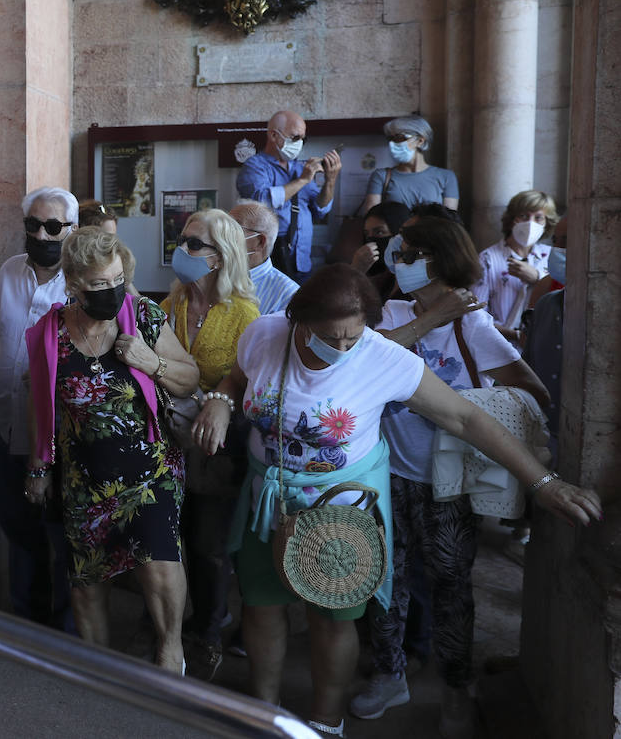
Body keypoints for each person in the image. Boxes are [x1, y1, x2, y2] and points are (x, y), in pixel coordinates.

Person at [190, 264, 599, 736]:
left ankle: (325, 723)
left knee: (333, 615)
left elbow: (465, 419)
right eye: (329, 338)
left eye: (353, 337)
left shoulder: (382, 357)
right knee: (261, 605)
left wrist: (543, 483)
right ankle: (264, 713)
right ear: (298, 320)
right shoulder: (265, 333)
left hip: (342, 509)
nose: (343, 349)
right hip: (269, 497)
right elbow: (238, 378)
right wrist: (220, 400)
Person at [351, 218, 549, 736]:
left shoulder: (472, 327)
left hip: (449, 484)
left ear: (439, 261)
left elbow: (533, 395)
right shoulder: (387, 313)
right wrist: (428, 318)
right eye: (401, 252)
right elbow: (361, 361)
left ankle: (456, 690)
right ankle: (390, 674)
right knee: (382, 582)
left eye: (412, 253)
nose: (400, 261)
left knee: (450, 588)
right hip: (385, 472)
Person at [22, 229, 200, 671]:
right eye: (99, 285)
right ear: (74, 285)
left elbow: (190, 377)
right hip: (84, 476)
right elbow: (40, 404)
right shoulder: (50, 333)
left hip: (150, 469)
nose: (112, 291)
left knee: (159, 561)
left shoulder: (142, 316)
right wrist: (39, 466)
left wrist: (149, 362)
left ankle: (171, 654)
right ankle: (100, 677)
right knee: (87, 582)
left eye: (117, 279)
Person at [161, 209, 260, 677]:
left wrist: (218, 399)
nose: (183, 251)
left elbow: (248, 380)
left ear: (221, 258)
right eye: (182, 241)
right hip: (169, 439)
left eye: (194, 244)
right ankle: (166, 627)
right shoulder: (174, 301)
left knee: (208, 544)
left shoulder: (244, 313)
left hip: (218, 444)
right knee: (169, 536)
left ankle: (209, 631)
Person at [0, 187, 76, 628]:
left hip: (60, 436)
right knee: (17, 528)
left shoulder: (83, 284)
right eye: (33, 225)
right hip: (5, 424)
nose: (42, 234)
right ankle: (26, 622)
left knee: (64, 535)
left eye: (54, 227)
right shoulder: (6, 272)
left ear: (72, 231)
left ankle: (65, 631)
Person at [235, 111, 342, 281]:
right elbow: (263, 202)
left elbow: (321, 209)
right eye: (295, 137)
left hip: (302, 261)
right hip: (270, 261)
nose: (299, 144)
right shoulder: (254, 167)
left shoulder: (300, 168)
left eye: (303, 139)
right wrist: (303, 180)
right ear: (273, 135)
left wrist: (330, 180)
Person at [472, 190, 558, 348]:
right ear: (512, 219)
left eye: (538, 217)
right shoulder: (488, 258)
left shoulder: (551, 257)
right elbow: (476, 314)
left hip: (542, 346)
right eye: (524, 216)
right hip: (499, 345)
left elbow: (564, 303)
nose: (530, 223)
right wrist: (516, 335)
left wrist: (538, 279)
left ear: (547, 222)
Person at [522, 215, 567, 446]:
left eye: (567, 241)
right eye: (557, 241)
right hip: (543, 435)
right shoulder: (546, 304)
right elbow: (527, 366)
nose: (558, 250)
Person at [358, 117, 460, 213]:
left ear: (420, 141)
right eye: (391, 139)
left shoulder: (446, 177)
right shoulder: (381, 176)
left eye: (400, 137)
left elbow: (449, 221)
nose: (393, 143)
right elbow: (371, 217)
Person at [230, 199, 298, 315]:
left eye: (233, 228)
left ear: (260, 242)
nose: (220, 235)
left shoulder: (288, 296)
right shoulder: (211, 274)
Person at [349, 201, 410, 303]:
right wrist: (355, 270)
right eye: (367, 234)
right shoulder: (380, 278)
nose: (371, 239)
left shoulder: (412, 278)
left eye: (379, 232)